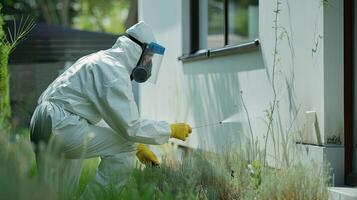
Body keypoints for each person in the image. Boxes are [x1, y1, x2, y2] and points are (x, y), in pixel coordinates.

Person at [29, 21, 192, 199]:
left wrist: (139, 146)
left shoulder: (100, 59)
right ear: (136, 50)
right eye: (147, 58)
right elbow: (130, 126)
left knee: (56, 193)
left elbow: (99, 115)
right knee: (126, 147)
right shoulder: (114, 72)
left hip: (44, 120)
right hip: (63, 124)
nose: (148, 64)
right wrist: (169, 130)